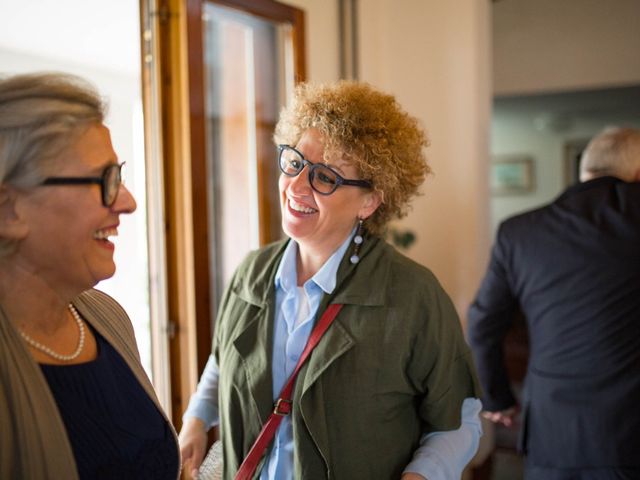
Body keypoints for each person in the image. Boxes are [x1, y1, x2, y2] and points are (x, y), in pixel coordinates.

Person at [179, 80, 482, 480]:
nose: (298, 186)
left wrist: (421, 476)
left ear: (370, 201)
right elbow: (224, 360)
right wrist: (197, 419)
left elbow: (460, 418)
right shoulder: (251, 273)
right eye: (294, 163)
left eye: (326, 177)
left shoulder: (413, 294)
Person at [0, 72, 180, 479]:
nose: (129, 202)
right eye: (104, 180)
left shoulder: (107, 318)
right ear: (8, 209)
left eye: (120, 175)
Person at [467, 127, 640, 479]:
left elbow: (482, 324)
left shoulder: (519, 232)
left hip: (554, 434)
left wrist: (497, 398)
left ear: (584, 173)